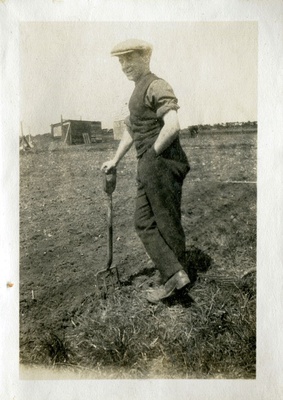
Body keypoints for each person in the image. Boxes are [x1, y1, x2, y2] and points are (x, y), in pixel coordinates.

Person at [101, 39, 191, 303]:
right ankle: (176, 274)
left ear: (146, 57)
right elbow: (132, 130)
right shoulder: (137, 92)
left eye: (130, 59)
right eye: (121, 61)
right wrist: (115, 160)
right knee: (143, 222)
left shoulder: (156, 85)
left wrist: (152, 154)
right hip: (149, 165)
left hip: (162, 162)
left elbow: (172, 125)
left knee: (166, 223)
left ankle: (176, 280)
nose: (124, 66)